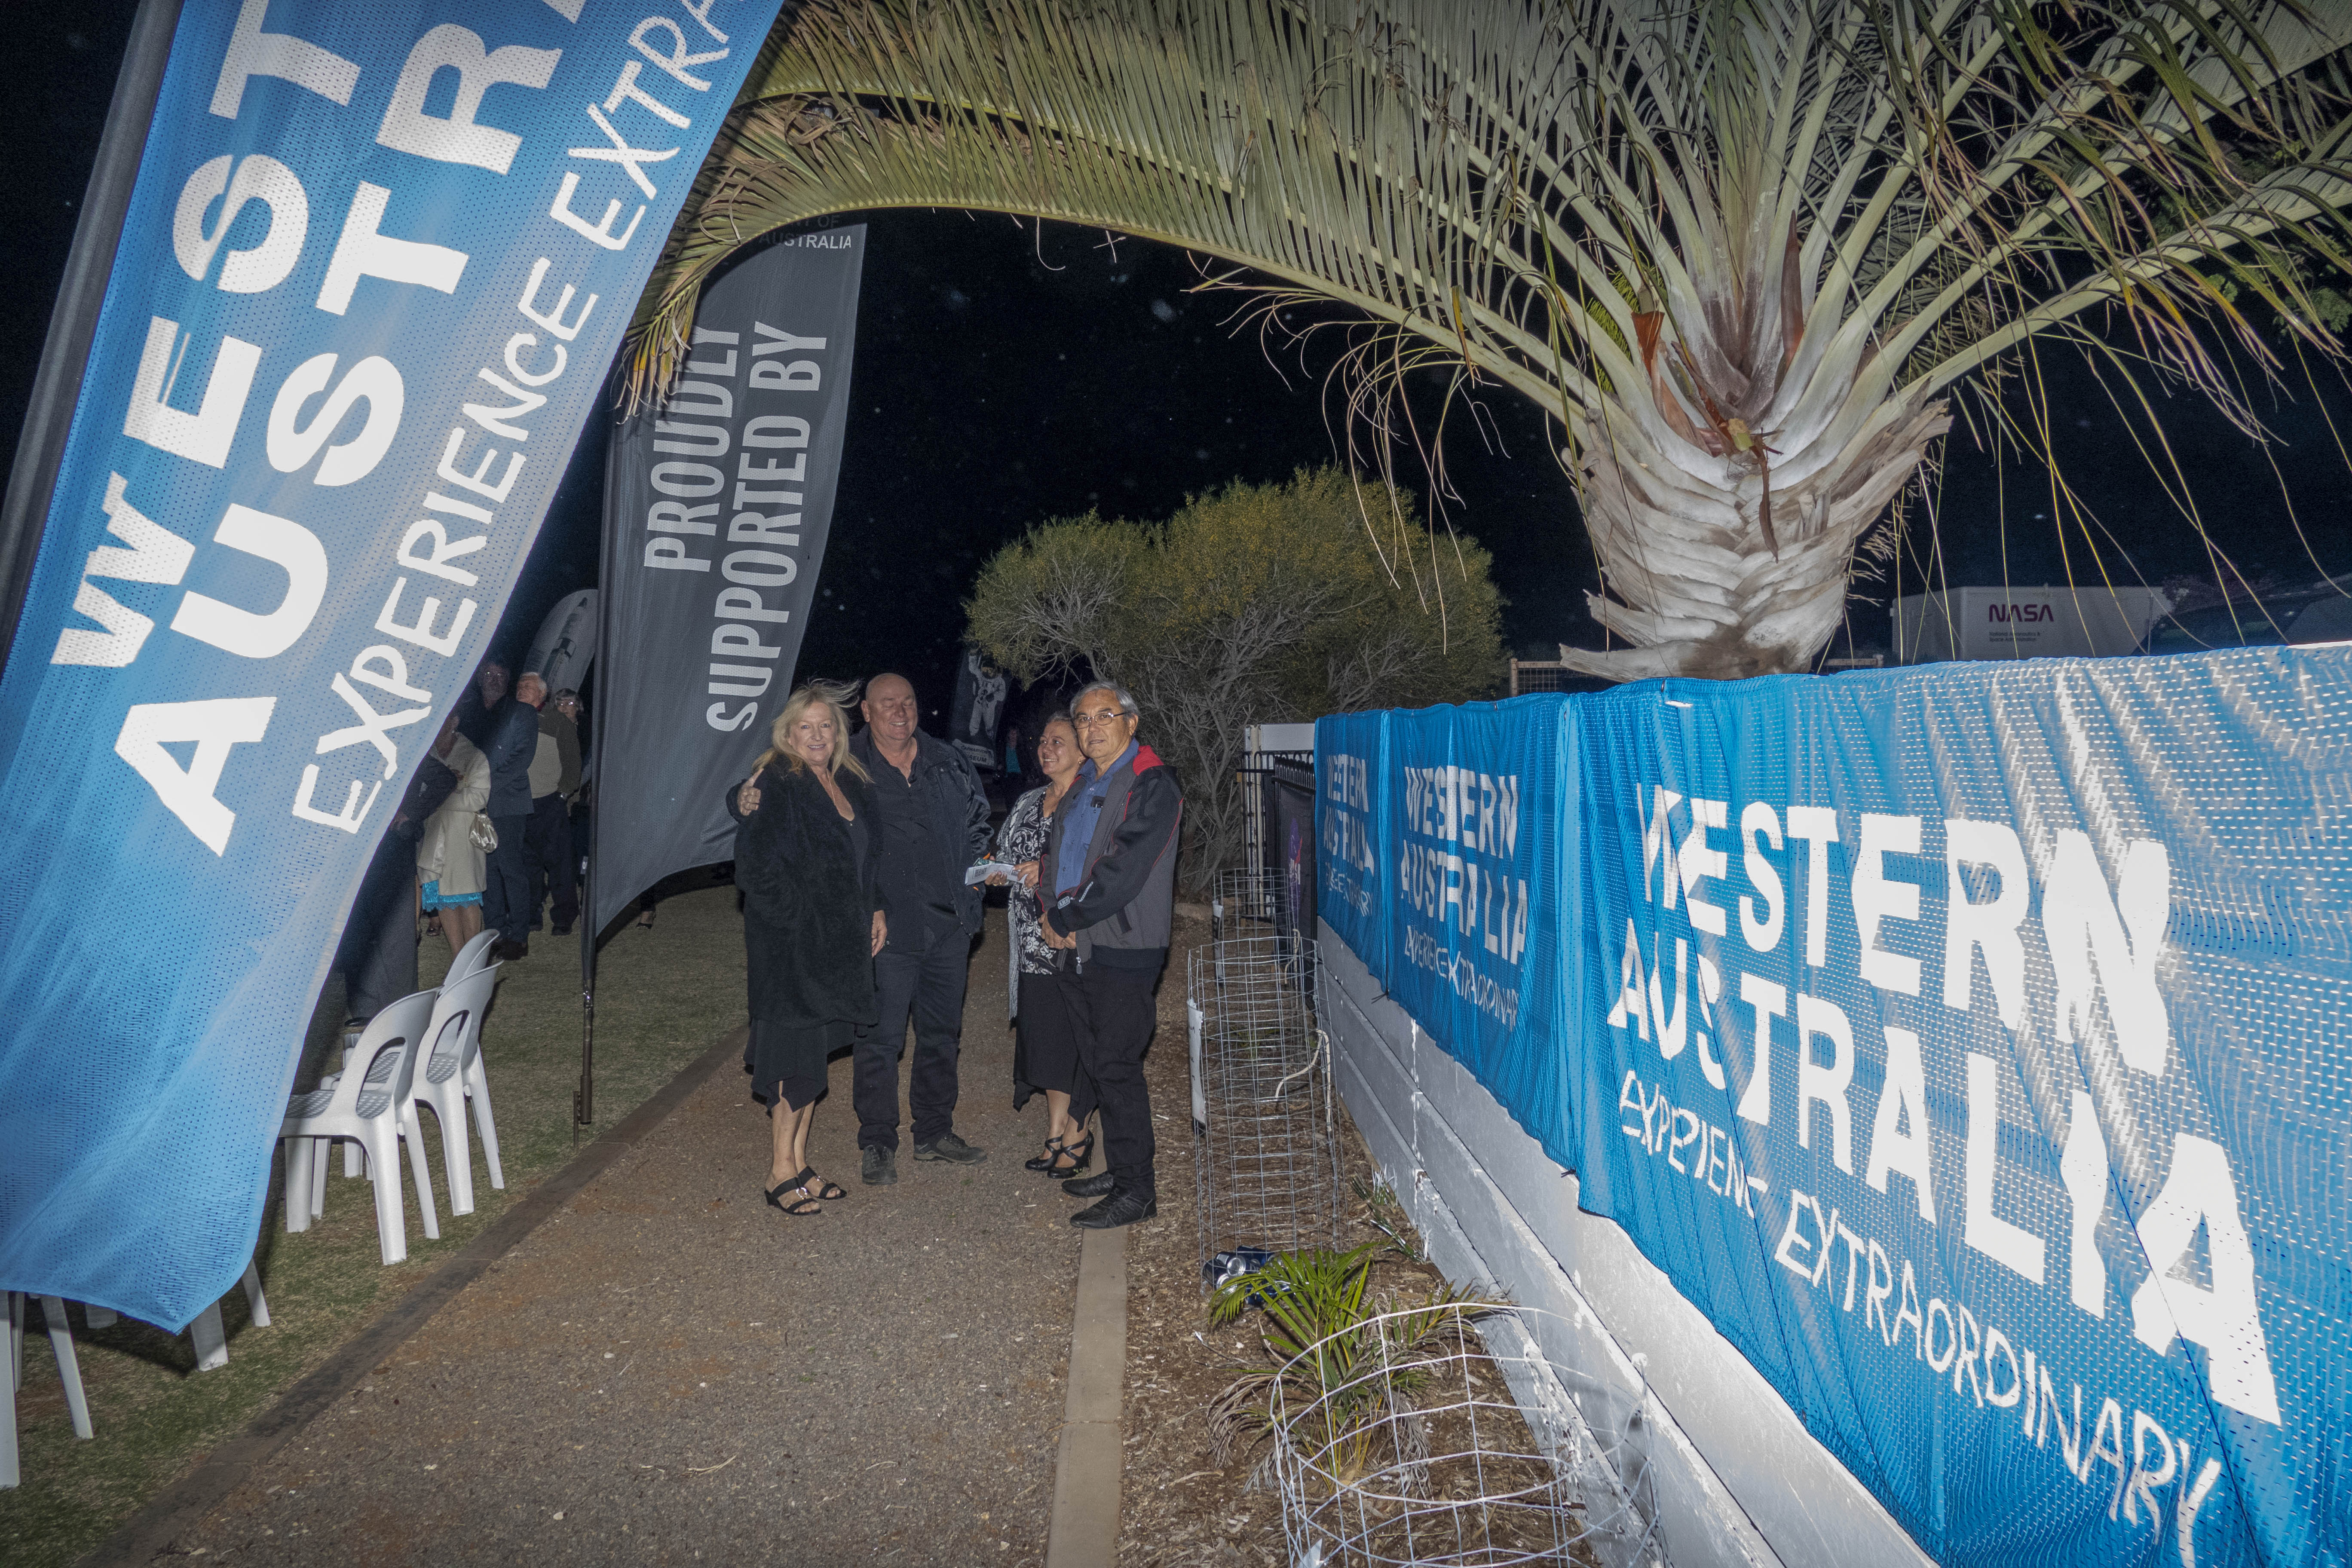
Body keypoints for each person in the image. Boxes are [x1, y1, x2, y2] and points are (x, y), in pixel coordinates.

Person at [732, 672, 992, 1186]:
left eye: (908, 701)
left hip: (948, 925)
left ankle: (935, 1132)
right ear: (866, 714)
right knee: (879, 1040)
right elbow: (769, 796)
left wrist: (976, 885)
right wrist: (738, 797)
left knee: (942, 1036)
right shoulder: (851, 763)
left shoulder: (945, 761)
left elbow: (977, 822)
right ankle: (878, 1141)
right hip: (884, 930)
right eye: (887, 703)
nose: (900, 711)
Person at [735, 683, 885, 1216]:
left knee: (812, 1063)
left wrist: (876, 908)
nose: (817, 735)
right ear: (788, 733)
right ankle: (779, 1171)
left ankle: (800, 1164)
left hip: (835, 954)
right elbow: (755, 870)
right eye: (807, 726)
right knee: (791, 1063)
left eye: (826, 726)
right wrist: (801, 922)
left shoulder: (847, 781)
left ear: (839, 733)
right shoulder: (777, 780)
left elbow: (866, 860)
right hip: (792, 955)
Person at [1041, 682, 1183, 1230]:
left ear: (1131, 722)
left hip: (1124, 946)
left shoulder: (1152, 783)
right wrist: (1051, 911)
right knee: (1099, 1063)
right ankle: (1123, 1170)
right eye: (1083, 719)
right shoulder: (1083, 782)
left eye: (1105, 716)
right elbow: (1056, 855)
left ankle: (1137, 1192)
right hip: (1078, 944)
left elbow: (1124, 870)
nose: (1092, 727)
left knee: (1118, 1068)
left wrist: (1067, 919)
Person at [989, 714, 1095, 1177]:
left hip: (1072, 937)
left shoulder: (1090, 799)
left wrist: (1045, 866)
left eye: (1059, 741)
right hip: (1030, 942)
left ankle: (1078, 1132)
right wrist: (997, 871)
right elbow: (1005, 851)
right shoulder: (1029, 800)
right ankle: (1055, 1130)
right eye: (1043, 741)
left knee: (1078, 1037)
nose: (1046, 748)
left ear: (1083, 751)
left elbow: (1098, 862)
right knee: (1048, 1038)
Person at [416, 712, 493, 959]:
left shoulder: (474, 756)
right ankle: (458, 959)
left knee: (467, 897)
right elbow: (417, 793)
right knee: (443, 897)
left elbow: (478, 798)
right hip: (432, 836)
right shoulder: (424, 756)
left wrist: (441, 796)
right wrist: (444, 792)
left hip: (463, 837)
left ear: (455, 722)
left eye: (444, 719)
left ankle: (474, 960)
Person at [479, 666, 541, 960]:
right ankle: (495, 932)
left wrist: (484, 784)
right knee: (487, 871)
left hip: (507, 803)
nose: (494, 680)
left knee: (511, 870)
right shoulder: (476, 712)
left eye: (500, 676)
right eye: (488, 675)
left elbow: (522, 758)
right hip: (476, 803)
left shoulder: (522, 713)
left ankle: (518, 936)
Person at [527, 682, 583, 937]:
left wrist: (561, 796)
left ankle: (564, 917)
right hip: (525, 801)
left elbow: (573, 765)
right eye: (560, 703)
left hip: (553, 801)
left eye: (569, 704)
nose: (564, 708)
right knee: (529, 863)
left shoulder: (562, 725)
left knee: (560, 862)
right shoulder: (521, 720)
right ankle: (532, 914)